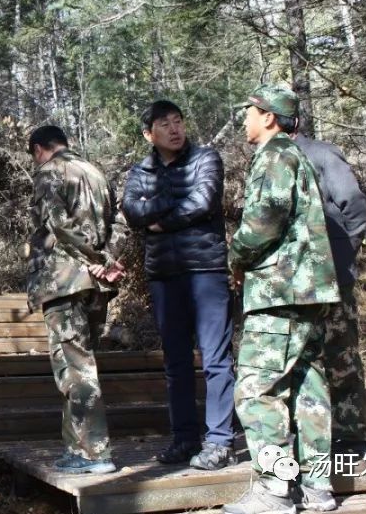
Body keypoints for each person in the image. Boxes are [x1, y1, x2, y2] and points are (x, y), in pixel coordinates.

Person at [225, 86, 341, 514]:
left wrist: (235, 256)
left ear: (269, 117)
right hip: (308, 292)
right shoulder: (296, 156)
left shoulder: (276, 156)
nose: (244, 121)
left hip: (280, 291)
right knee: (308, 388)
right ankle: (317, 487)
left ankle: (274, 489)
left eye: (249, 113)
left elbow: (264, 222)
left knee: (256, 388)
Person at [120, 100, 236, 471]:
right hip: (164, 275)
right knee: (176, 363)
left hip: (206, 269)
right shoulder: (140, 170)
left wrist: (158, 216)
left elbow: (204, 201)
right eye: (164, 124)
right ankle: (185, 438)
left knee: (216, 359)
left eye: (178, 121)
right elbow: (132, 212)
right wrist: (169, 203)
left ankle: (219, 440)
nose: (174, 129)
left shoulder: (206, 159)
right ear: (148, 133)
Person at [26, 125, 127, 475]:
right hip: (95, 285)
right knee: (80, 364)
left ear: (40, 149)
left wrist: (95, 261)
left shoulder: (50, 173)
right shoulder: (96, 172)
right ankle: (77, 451)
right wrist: (108, 261)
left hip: (65, 282)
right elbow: (120, 223)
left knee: (75, 370)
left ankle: (95, 453)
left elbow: (57, 226)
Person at [293, 129, 366, 455]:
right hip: (292, 284)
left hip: (333, 279)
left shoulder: (322, 153)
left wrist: (339, 254)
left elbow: (354, 206)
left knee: (341, 357)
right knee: (301, 362)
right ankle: (308, 440)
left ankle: (350, 437)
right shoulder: (269, 158)